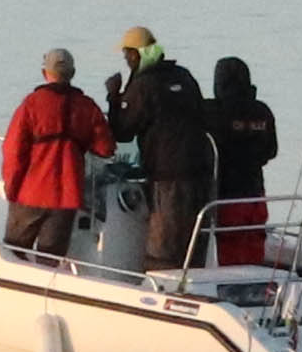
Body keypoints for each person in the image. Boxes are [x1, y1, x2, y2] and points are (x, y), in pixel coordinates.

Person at [112, 31, 217, 272]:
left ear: (136, 55)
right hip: (202, 173)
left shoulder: (144, 85)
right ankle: (197, 283)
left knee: (164, 246)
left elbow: (122, 131)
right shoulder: (184, 76)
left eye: (127, 55)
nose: (126, 60)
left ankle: (160, 290)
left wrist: (114, 96)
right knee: (194, 242)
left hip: (168, 178)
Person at [0, 49, 107, 257]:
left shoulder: (31, 104)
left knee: (14, 254)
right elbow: (105, 148)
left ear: (44, 73)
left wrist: (12, 188)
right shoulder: (87, 107)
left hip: (30, 194)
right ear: (73, 73)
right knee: (50, 260)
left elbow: (13, 151)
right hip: (67, 196)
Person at [204, 56, 280, 272]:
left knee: (229, 251)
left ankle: (233, 291)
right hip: (255, 194)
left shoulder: (212, 112)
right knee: (253, 245)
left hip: (227, 195)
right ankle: (255, 285)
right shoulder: (263, 112)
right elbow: (271, 151)